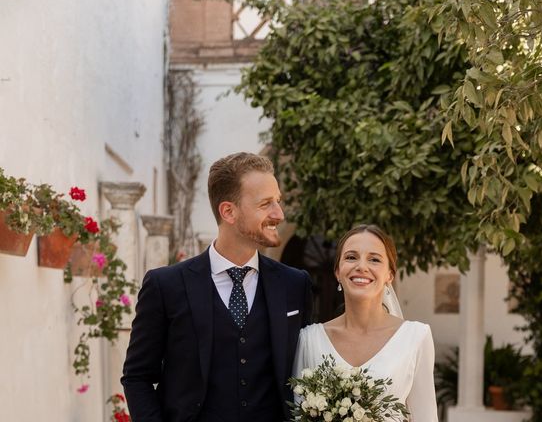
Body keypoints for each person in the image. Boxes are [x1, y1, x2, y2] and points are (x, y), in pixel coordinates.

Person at [122, 152, 313, 422]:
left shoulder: (295, 284)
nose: (279, 214)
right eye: (266, 204)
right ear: (228, 211)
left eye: (278, 202)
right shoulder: (166, 286)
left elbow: (305, 369)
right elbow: (137, 377)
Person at [293, 224, 438, 421]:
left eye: (374, 259)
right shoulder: (309, 339)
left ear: (390, 275)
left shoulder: (416, 337)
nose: (361, 266)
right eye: (351, 257)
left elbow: (425, 417)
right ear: (337, 272)